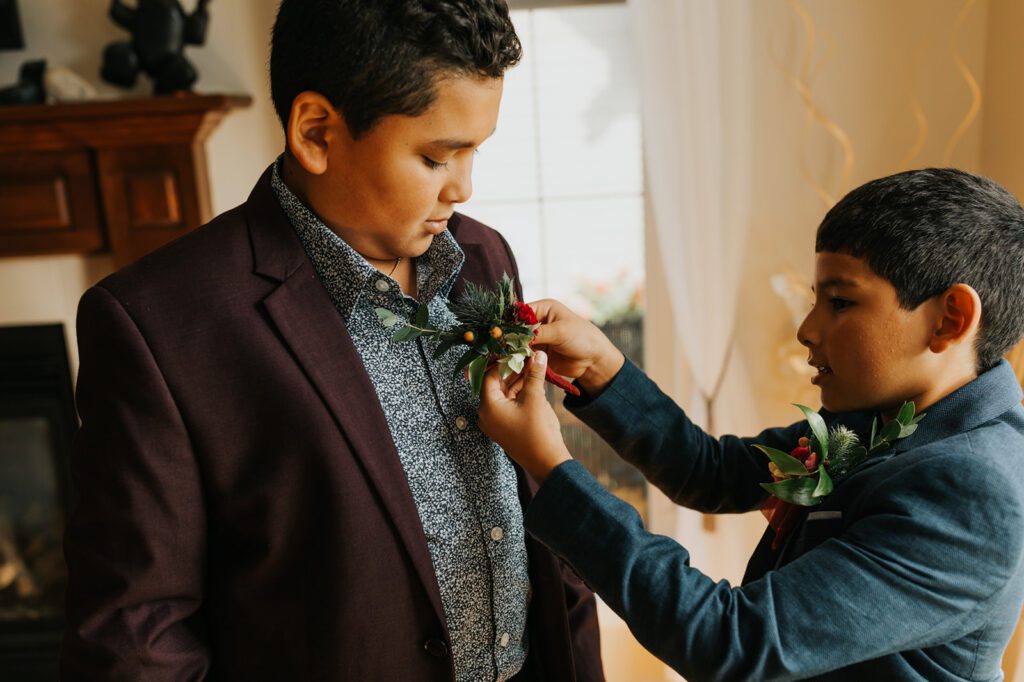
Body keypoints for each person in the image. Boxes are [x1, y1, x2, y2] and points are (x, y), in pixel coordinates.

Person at [61, 1, 603, 680]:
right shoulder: (156, 326)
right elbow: (135, 642)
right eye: (438, 156)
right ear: (317, 132)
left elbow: (539, 527)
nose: (464, 187)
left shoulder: (485, 256)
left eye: (476, 150)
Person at [479, 168, 1024, 680]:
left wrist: (551, 468)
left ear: (951, 317)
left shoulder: (973, 493)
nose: (807, 330)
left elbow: (732, 641)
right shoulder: (880, 414)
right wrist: (600, 366)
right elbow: (712, 472)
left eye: (840, 302)